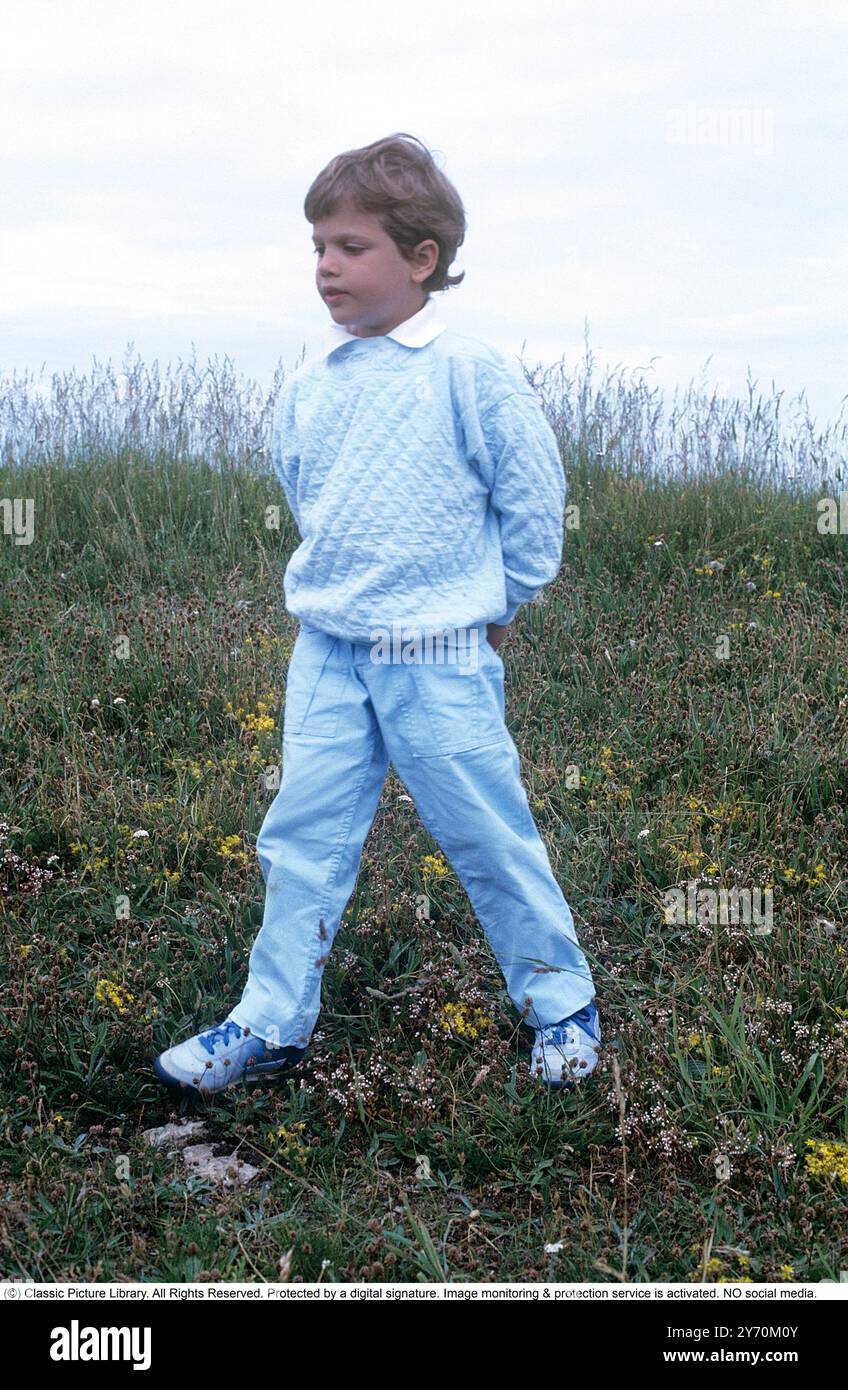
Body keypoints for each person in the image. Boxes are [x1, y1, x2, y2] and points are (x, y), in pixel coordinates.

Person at [153, 132, 601, 1098]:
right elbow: (308, 493)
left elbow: (531, 494)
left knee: (484, 829)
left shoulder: (466, 371)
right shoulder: (313, 387)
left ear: (421, 257)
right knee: (300, 834)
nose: (325, 267)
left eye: (350, 247)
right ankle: (270, 1021)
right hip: (328, 649)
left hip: (439, 652)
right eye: (317, 245)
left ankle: (562, 1001)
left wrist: (505, 597)